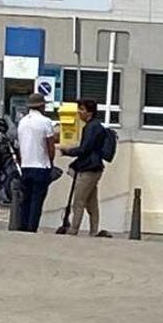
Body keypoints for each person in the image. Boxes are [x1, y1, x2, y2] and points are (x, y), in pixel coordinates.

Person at [62, 99, 107, 237]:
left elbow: (85, 149)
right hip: (95, 167)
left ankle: (73, 229)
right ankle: (93, 231)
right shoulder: (97, 126)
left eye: (82, 109)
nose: (79, 112)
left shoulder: (91, 127)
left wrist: (68, 151)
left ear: (90, 113)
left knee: (79, 200)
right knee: (91, 202)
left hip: (88, 169)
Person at [16, 93, 56, 233]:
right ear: (41, 106)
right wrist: (51, 162)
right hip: (41, 166)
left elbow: (20, 145)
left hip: (26, 165)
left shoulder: (22, 122)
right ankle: (32, 227)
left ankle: (22, 225)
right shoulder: (46, 122)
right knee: (36, 200)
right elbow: (50, 146)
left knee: (25, 199)